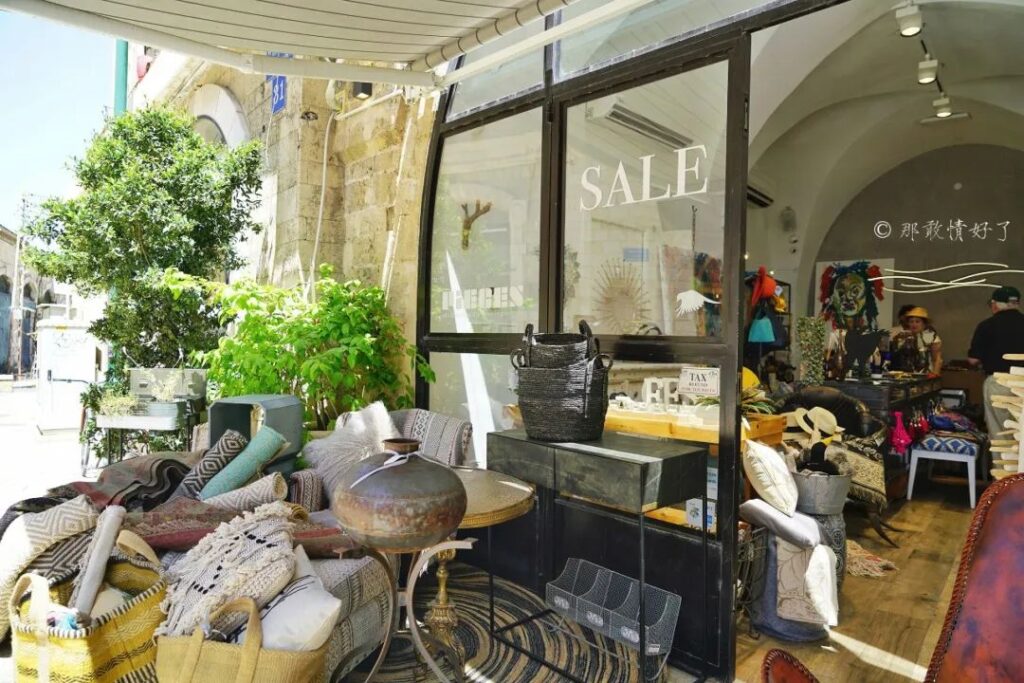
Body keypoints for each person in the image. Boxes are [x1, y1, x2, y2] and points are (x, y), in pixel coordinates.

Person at [968, 286, 1024, 437]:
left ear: (994, 304)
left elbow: (973, 360)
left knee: (1000, 433)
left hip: (999, 382)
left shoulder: (986, 326)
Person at [889, 306, 942, 375]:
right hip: (906, 374)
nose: (914, 324)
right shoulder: (904, 337)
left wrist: (935, 375)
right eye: (911, 322)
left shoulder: (930, 336)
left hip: (926, 375)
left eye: (917, 321)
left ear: (924, 323)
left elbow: (937, 359)